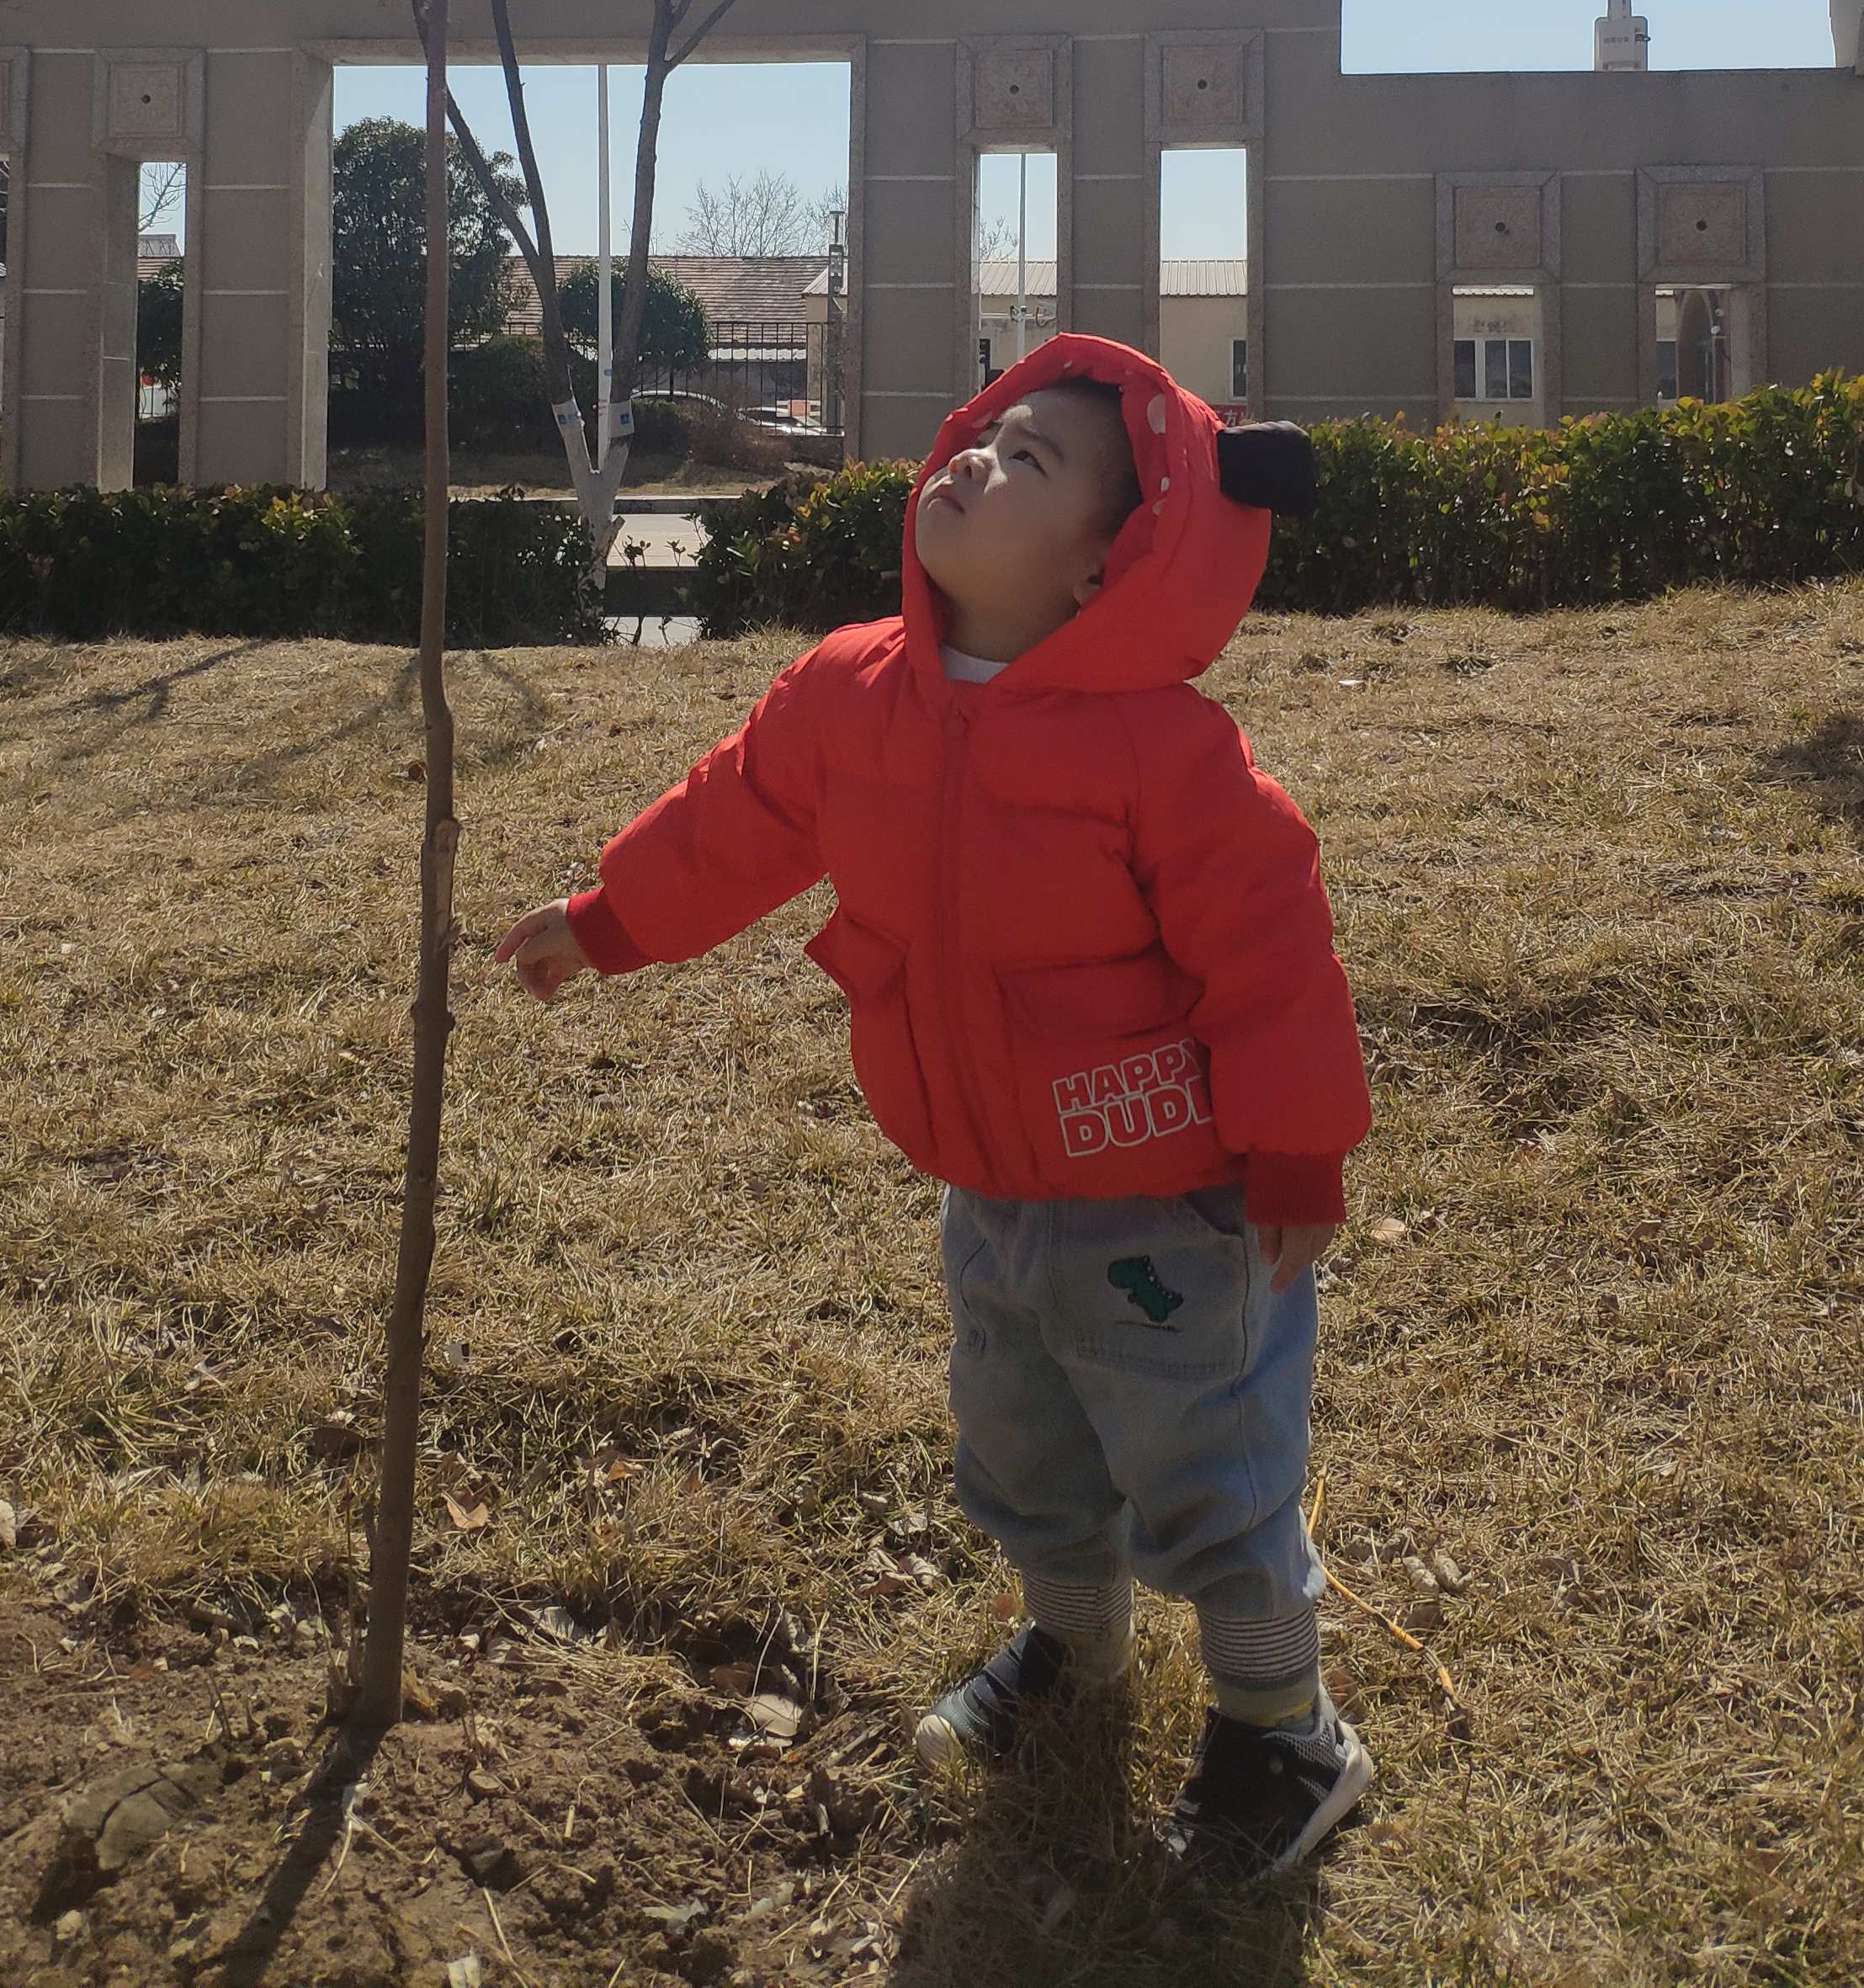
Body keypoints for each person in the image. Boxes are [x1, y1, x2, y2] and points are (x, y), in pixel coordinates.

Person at [497, 333, 1373, 1880]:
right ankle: (1071, 1650)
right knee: (1024, 1450)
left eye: (1028, 461)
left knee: (1205, 1467)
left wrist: (1297, 1145)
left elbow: (1270, 950)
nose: (969, 460)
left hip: (1171, 1198)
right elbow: (739, 820)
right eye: (979, 434)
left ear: (1115, 564)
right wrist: (608, 918)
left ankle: (1280, 1725)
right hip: (987, 1179)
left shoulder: (1165, 752)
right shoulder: (854, 693)